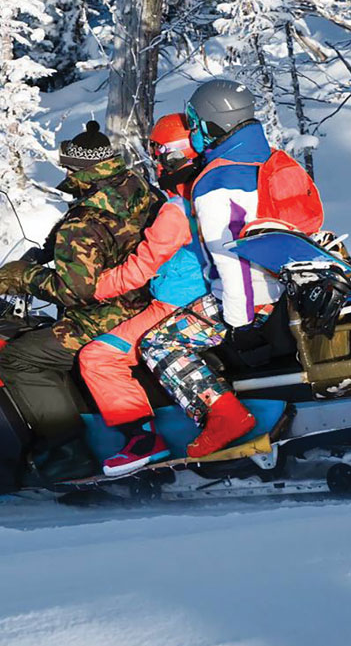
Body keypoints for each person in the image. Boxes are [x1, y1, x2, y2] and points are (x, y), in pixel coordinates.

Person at [0, 121, 156, 475]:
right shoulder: (137, 187)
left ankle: (69, 452)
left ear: (78, 169)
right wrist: (45, 253)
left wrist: (22, 277)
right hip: (149, 302)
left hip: (107, 315)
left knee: (18, 358)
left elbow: (75, 291)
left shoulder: (84, 218)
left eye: (68, 168)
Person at [76, 113, 208, 475]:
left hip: (178, 303)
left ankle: (143, 440)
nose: (156, 163)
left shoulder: (176, 209)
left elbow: (140, 268)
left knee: (98, 357)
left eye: (158, 155)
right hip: (205, 297)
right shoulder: (212, 193)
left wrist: (90, 287)